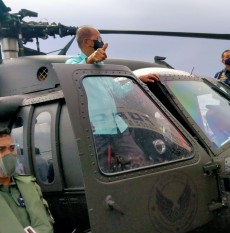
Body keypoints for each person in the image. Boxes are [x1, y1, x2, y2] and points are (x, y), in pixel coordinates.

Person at [66, 26, 160, 172]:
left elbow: (118, 91)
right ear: (87, 42)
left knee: (138, 159)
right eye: (98, 39)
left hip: (117, 126)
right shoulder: (72, 63)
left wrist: (136, 80)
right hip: (96, 129)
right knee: (103, 167)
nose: (101, 41)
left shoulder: (101, 67)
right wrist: (90, 60)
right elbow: (72, 72)